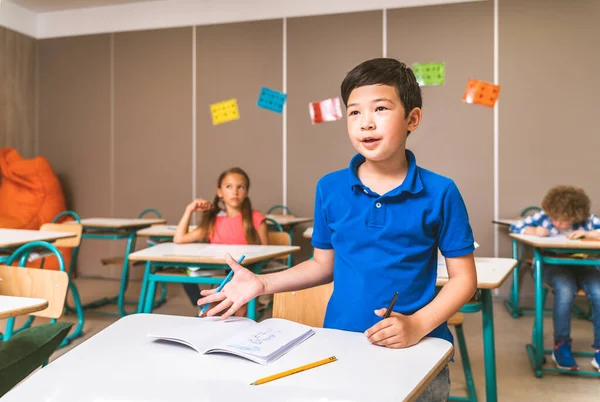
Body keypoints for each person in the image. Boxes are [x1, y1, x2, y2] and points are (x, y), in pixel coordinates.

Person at [198, 58, 477, 401]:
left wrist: (417, 325)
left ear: (412, 119)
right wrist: (263, 283)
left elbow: (464, 279)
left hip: (416, 349)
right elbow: (322, 265)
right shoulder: (329, 188)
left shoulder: (440, 191)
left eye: (380, 108)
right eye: (354, 112)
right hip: (342, 343)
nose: (366, 123)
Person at [510, 185, 600, 371]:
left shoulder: (588, 221)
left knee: (599, 291)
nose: (558, 223)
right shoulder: (543, 217)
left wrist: (590, 234)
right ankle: (561, 345)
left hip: (583, 267)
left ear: (576, 216)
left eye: (565, 221)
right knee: (565, 291)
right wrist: (533, 231)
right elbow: (515, 226)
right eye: (555, 218)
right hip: (553, 267)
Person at [173, 167, 268, 316]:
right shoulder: (214, 221)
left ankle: (255, 306)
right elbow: (179, 239)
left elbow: (266, 252)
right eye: (229, 187)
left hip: (245, 278)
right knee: (208, 314)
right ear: (220, 192)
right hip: (220, 277)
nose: (235, 191)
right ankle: (201, 305)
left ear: (247, 192)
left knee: (239, 315)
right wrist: (189, 210)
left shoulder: (256, 218)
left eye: (240, 187)